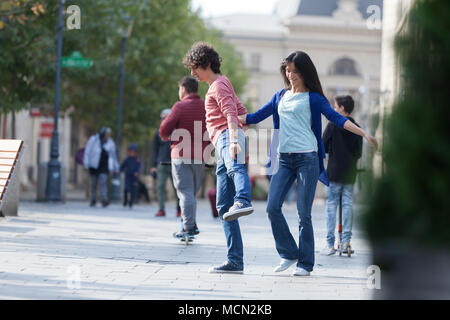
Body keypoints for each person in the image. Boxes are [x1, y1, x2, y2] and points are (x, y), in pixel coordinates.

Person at [239, 51, 377, 276]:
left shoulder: (314, 98)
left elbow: (338, 119)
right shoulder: (279, 96)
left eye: (295, 71)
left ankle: (305, 263)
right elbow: (253, 117)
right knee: (273, 207)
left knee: (304, 213)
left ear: (305, 72)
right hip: (284, 159)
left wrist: (365, 134)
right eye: (288, 70)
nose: (290, 74)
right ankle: (289, 252)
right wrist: (228, 116)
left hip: (308, 159)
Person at [183, 42, 253, 274]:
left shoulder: (218, 86)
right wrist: (242, 138)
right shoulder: (221, 84)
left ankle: (243, 199)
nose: (193, 73)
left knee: (235, 171)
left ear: (206, 65)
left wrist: (235, 140)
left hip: (226, 138)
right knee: (223, 206)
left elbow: (233, 114)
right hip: (225, 141)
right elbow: (243, 114)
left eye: (195, 68)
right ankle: (235, 261)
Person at [159, 76, 211, 239]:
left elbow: (164, 129)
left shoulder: (180, 106)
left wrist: (167, 135)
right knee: (191, 192)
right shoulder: (206, 106)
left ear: (183, 88)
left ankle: (188, 228)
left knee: (185, 192)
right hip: (200, 156)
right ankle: (190, 223)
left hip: (182, 155)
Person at [321, 95, 363, 255]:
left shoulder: (332, 125)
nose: (334, 109)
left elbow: (323, 146)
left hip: (334, 171)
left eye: (336, 106)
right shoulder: (357, 128)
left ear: (342, 109)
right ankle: (346, 242)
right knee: (347, 205)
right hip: (350, 172)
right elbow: (359, 153)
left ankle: (330, 244)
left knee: (331, 206)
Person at [151, 109, 181, 217]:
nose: (163, 120)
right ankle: (161, 209)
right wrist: (153, 165)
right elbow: (154, 149)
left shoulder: (178, 132)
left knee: (177, 187)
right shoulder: (158, 132)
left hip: (175, 162)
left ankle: (179, 210)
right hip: (161, 163)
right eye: (162, 118)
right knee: (160, 187)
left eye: (165, 118)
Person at [83, 127, 120, 207]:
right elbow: (87, 151)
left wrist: (116, 167)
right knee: (94, 183)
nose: (108, 135)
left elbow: (114, 156)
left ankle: (104, 199)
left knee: (103, 182)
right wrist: (86, 164)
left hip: (104, 167)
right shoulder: (93, 140)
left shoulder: (110, 142)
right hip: (94, 165)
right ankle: (93, 199)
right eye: (107, 134)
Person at [120, 143, 141, 209]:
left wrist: (137, 172)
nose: (132, 153)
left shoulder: (138, 159)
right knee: (126, 188)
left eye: (133, 151)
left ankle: (131, 202)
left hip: (134, 177)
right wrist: (120, 170)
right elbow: (123, 165)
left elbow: (139, 166)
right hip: (128, 175)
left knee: (133, 190)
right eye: (131, 151)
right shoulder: (127, 158)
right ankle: (125, 200)